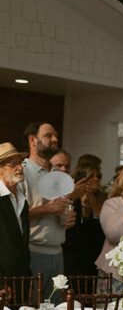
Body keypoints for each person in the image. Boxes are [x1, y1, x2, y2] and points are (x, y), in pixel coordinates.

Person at [21, 122, 76, 296]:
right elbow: (15, 218)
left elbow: (62, 210)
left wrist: (69, 218)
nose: (54, 140)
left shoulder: (58, 175)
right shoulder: (21, 172)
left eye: (56, 136)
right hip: (33, 252)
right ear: (32, 140)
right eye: (48, 136)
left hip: (58, 251)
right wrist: (46, 208)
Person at [0, 142, 31, 281]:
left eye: (20, 163)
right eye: (13, 165)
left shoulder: (22, 199)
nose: (19, 168)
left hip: (21, 277)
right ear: (0, 170)